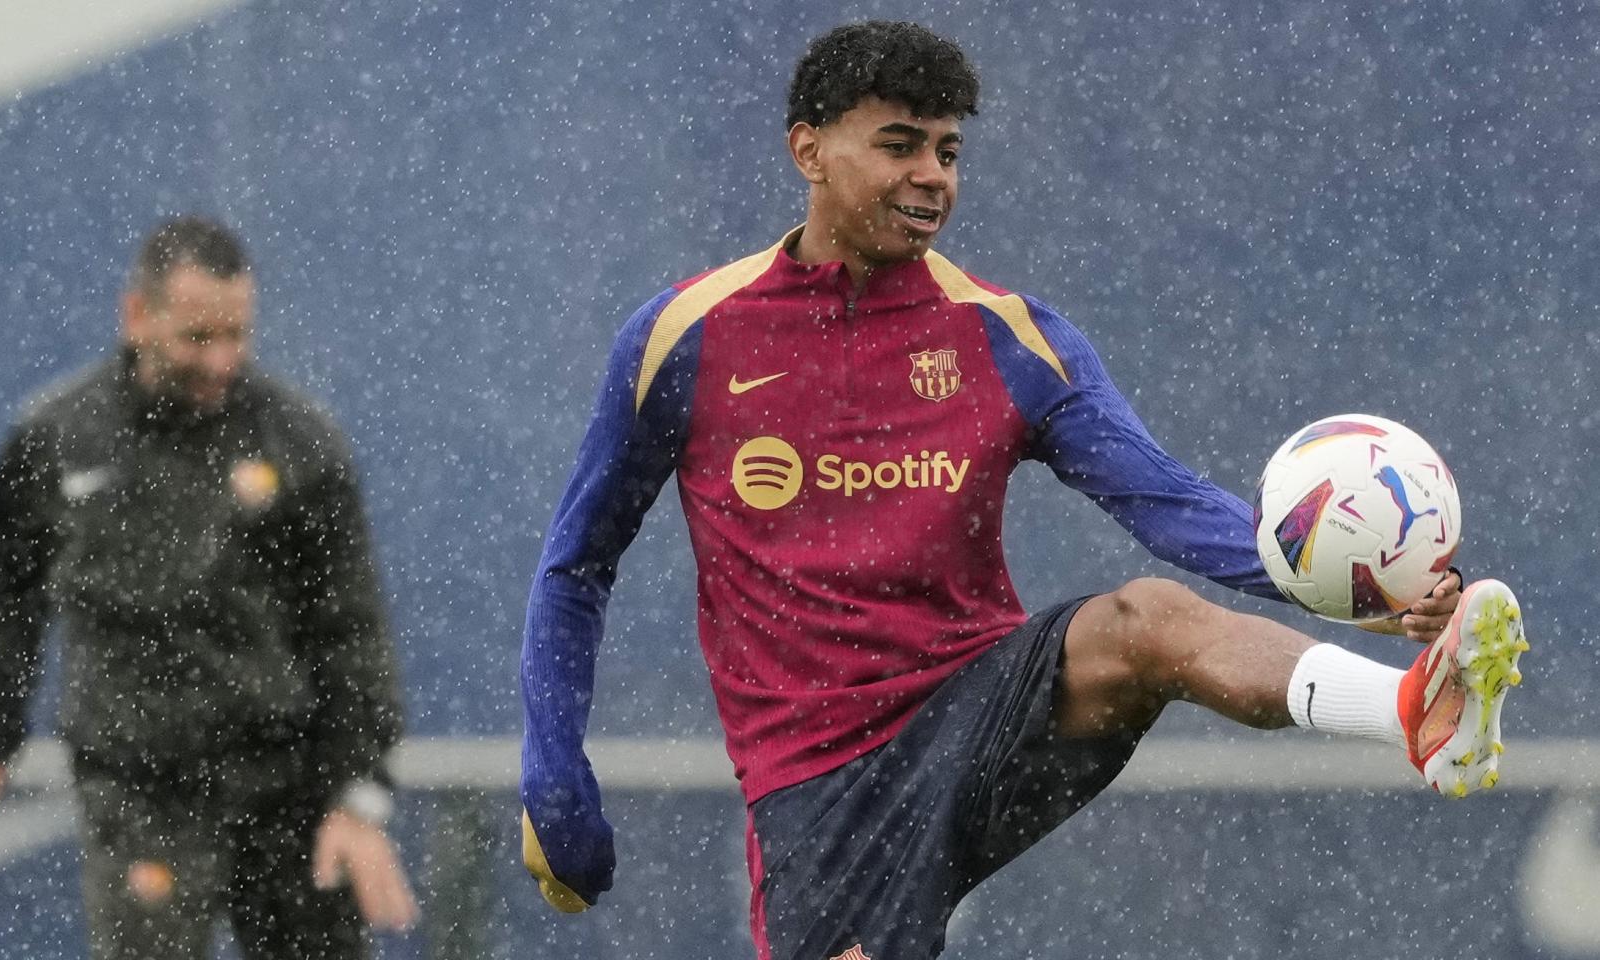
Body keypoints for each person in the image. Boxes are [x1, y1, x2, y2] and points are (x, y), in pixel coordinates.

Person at [518, 20, 1529, 960]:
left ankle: (1412, 712)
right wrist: (553, 767)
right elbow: (576, 564)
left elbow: (1166, 502)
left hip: (982, 711)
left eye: (946, 153)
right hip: (813, 778)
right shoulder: (681, 338)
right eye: (898, 144)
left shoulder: (1006, 336)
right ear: (807, 149)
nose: (929, 178)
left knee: (1148, 621)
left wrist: (1367, 591)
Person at [0, 215, 419, 960]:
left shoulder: (300, 441)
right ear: (137, 315)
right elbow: (7, 595)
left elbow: (350, 631)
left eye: (238, 335)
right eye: (198, 337)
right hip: (137, 796)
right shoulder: (55, 438)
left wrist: (358, 795)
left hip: (287, 792)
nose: (223, 360)